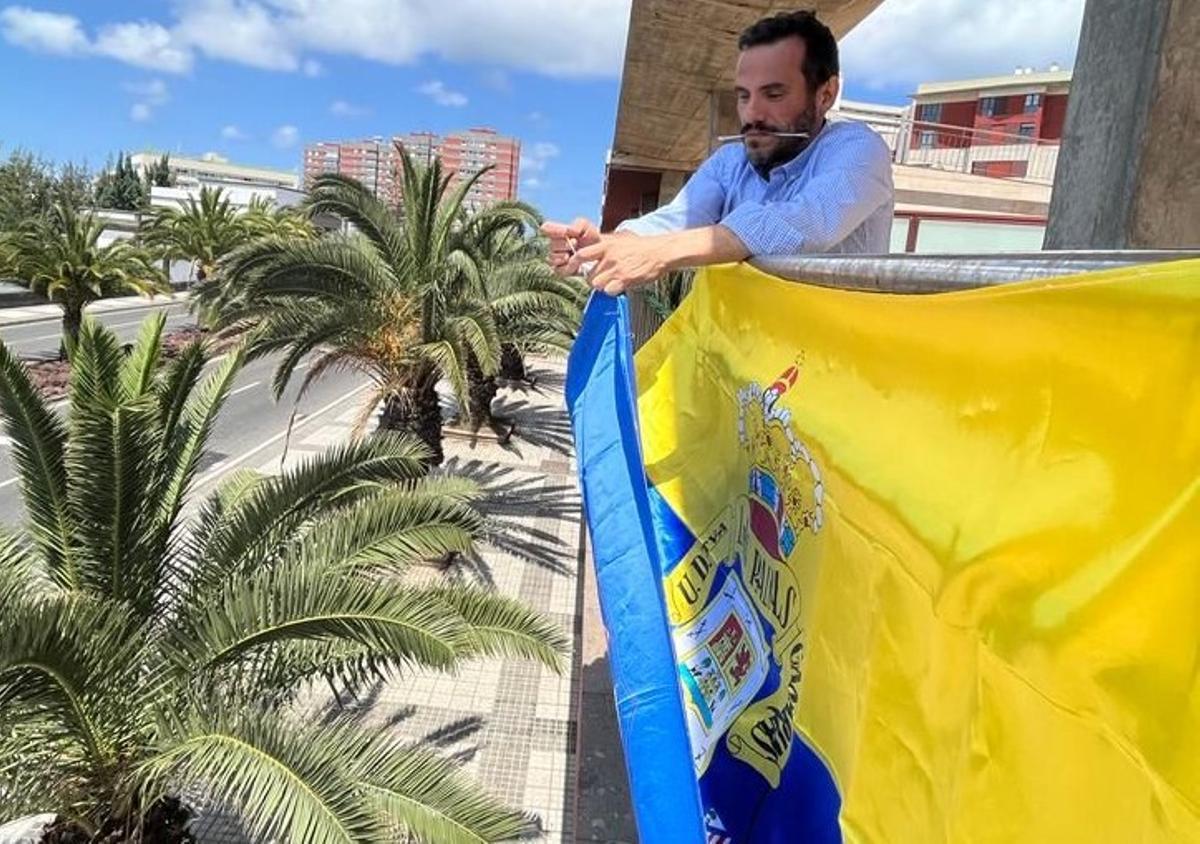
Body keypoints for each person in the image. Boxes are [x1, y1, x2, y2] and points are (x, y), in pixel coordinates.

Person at [543, 9, 895, 296]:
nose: (752, 113)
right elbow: (675, 219)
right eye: (744, 96)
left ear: (826, 94)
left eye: (773, 95)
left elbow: (804, 222)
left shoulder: (858, 149)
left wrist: (662, 253)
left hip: (835, 370)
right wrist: (601, 248)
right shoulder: (731, 161)